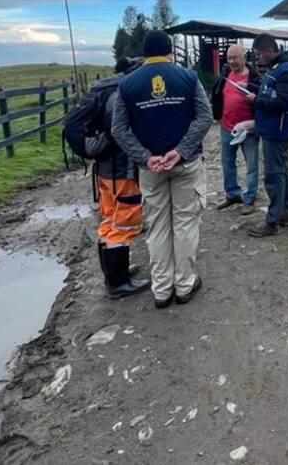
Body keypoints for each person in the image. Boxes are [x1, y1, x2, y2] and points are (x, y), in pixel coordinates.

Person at [111, 31, 213, 308]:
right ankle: (184, 285)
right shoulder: (188, 78)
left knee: (156, 227)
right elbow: (205, 116)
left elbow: (118, 128)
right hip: (185, 163)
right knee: (185, 223)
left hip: (150, 168)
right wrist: (180, 150)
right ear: (170, 50)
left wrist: (145, 157)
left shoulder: (128, 84)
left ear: (144, 54)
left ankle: (161, 290)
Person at [86, 57, 152, 298]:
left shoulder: (104, 90)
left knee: (108, 219)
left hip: (103, 169)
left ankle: (113, 273)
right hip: (122, 170)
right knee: (124, 223)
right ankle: (118, 282)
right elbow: (122, 133)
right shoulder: (123, 94)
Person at [246, 33, 288, 237]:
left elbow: (281, 103)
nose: (258, 58)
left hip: (278, 130)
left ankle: (273, 221)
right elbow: (272, 93)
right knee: (282, 171)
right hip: (273, 129)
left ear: (269, 51)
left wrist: (255, 101)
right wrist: (253, 89)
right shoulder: (276, 69)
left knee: (274, 174)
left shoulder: (285, 71)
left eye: (259, 54)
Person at [209, 44, 260, 214]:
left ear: (244, 57)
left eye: (235, 58)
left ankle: (250, 197)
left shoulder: (254, 78)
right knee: (227, 163)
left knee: (251, 164)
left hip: (248, 128)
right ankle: (232, 194)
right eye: (229, 58)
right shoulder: (225, 75)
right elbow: (217, 94)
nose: (231, 61)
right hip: (227, 127)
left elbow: (262, 100)